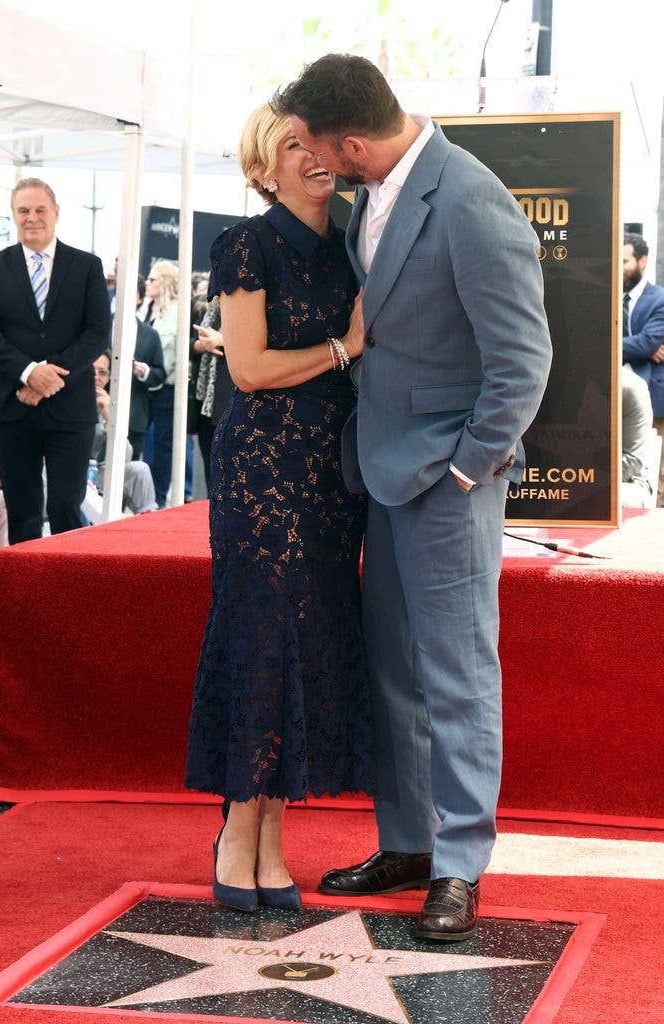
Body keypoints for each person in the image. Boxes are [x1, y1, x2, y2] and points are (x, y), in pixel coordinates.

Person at [274, 54, 552, 941]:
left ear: (354, 142)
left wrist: (469, 468)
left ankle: (461, 863)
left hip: (445, 483)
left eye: (321, 151)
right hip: (381, 475)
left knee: (458, 678)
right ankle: (410, 844)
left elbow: (523, 362)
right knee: (396, 673)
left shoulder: (472, 202)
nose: (319, 165)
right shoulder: (372, 195)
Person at [185, 102, 374, 912]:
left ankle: (271, 833)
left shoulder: (356, 245)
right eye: (293, 146)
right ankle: (240, 831)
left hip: (332, 478)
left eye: (320, 142)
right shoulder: (245, 243)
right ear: (265, 164)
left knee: (309, 639)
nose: (314, 157)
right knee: (262, 635)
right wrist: (345, 348)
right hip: (260, 473)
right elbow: (252, 368)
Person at [0, 177, 111, 543]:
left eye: (40, 209)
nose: (32, 217)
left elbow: (97, 332)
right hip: (11, 407)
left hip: (70, 409)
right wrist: (28, 373)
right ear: (13, 215)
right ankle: (26, 599)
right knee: (23, 512)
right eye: (23, 210)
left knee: (67, 507)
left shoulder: (86, 266)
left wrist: (49, 378)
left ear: (56, 213)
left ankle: (69, 597)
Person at [84, 351, 157, 521]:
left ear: (109, 378)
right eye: (91, 370)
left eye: (102, 373)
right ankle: (112, 521)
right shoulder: (68, 398)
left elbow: (126, 455)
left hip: (98, 472)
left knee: (140, 469)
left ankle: (148, 524)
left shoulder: (110, 403)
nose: (96, 377)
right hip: (68, 471)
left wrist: (110, 415)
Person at [621, 233, 664, 505]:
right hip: (614, 398)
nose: (619, 268)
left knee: (655, 474)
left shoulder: (659, 299)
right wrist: (643, 348)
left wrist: (608, 342)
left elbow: (649, 341)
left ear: (642, 261)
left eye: (624, 261)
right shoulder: (606, 295)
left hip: (652, 396)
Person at [137, 260, 181, 507]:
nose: (148, 283)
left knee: (162, 444)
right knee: (142, 440)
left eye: (153, 279)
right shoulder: (143, 308)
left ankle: (159, 498)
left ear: (164, 282)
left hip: (167, 388)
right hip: (142, 386)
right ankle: (143, 498)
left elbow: (177, 353)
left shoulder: (178, 311)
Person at [188, 292, 233, 494]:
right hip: (205, 402)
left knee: (229, 470)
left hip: (230, 401)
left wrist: (221, 340)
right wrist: (201, 345)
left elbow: (258, 341)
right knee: (210, 467)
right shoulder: (206, 308)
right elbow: (189, 344)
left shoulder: (246, 307)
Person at [129, 275, 167, 460]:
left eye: (130, 292)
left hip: (134, 417)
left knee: (131, 474)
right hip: (96, 413)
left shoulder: (150, 335)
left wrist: (145, 373)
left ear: (139, 298)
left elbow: (160, 373)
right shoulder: (99, 328)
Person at [621, 363, 655, 508]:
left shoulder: (631, 387)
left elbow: (633, 460)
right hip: (570, 478)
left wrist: (582, 477)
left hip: (627, 482)